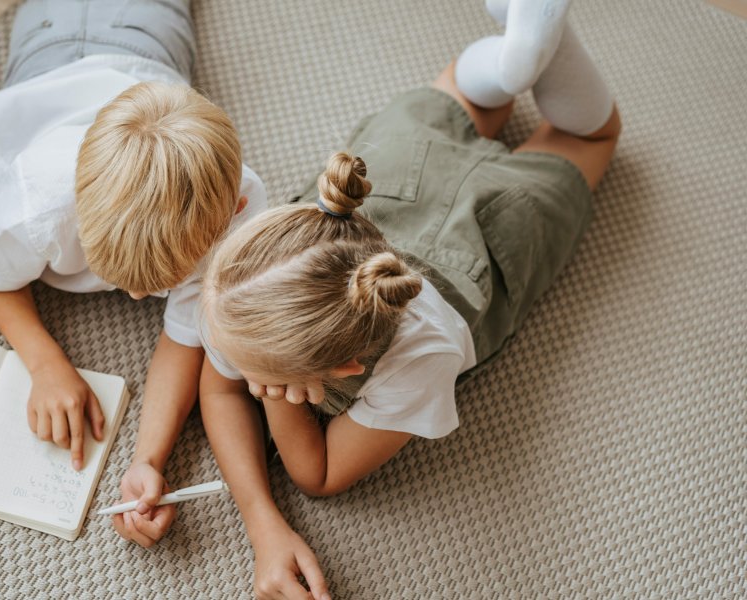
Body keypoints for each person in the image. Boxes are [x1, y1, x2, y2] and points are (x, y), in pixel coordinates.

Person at [197, 0, 621, 597]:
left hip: (492, 227)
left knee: (593, 134)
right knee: (461, 100)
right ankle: (517, 58)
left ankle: (522, 56)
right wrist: (261, 522)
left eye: (253, 371)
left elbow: (316, 474)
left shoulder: (421, 359)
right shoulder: (249, 280)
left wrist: (275, 400)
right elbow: (216, 387)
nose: (224, 362)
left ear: (345, 369)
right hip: (392, 180)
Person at [0, 0, 266, 547]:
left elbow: (185, 335)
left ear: (232, 212)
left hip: (148, 39)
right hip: (49, 50)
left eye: (157, 282)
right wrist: (46, 363)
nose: (139, 295)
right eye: (119, 275)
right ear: (77, 212)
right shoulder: (38, 204)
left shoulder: (240, 206)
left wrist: (149, 458)